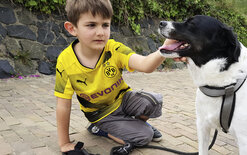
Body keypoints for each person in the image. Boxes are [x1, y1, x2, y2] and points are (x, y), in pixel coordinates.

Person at [55, 0, 177, 154]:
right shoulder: (65, 61)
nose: (100, 32)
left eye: (105, 25)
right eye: (91, 25)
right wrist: (64, 143)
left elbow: (146, 65)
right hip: (101, 113)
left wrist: (165, 49)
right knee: (145, 137)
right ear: (72, 28)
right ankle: (100, 129)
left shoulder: (114, 48)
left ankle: (134, 127)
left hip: (123, 99)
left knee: (154, 100)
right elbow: (63, 104)